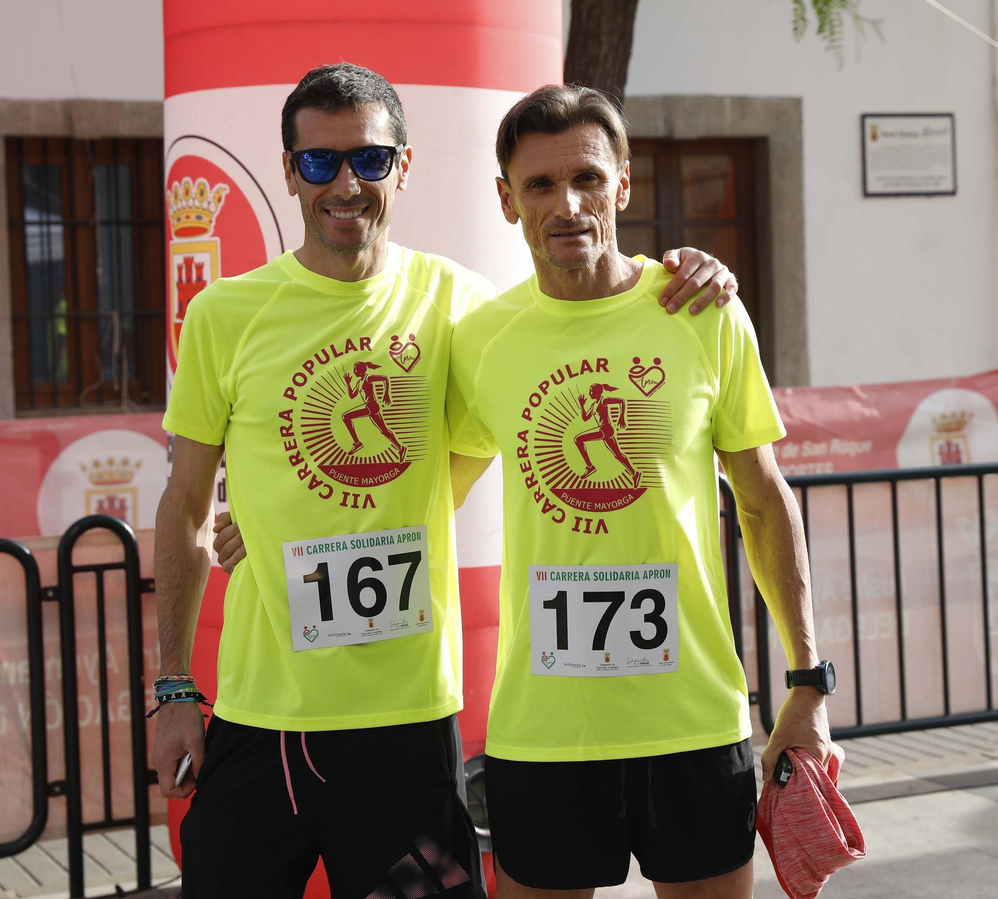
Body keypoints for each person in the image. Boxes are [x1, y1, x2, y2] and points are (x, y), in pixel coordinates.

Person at [210, 83, 835, 899]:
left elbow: (763, 501)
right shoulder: (479, 337)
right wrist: (276, 517)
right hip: (541, 735)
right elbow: (433, 473)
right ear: (506, 201)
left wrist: (808, 684)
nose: (567, 204)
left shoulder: (703, 311)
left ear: (624, 184)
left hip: (692, 719)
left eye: (587, 177)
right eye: (540, 184)